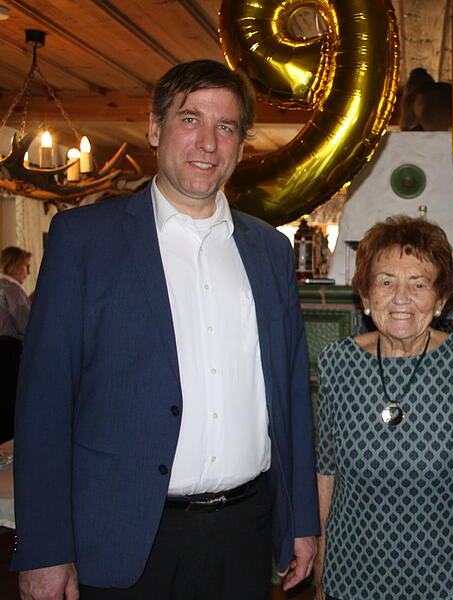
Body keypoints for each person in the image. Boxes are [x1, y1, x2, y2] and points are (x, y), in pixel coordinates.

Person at [11, 59, 319, 599]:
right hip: (121, 537)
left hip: (242, 535)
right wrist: (44, 547)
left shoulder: (270, 250)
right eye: (190, 119)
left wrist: (301, 520)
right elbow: (44, 403)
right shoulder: (84, 240)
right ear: (155, 129)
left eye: (225, 127)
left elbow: (291, 395)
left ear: (241, 146)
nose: (207, 142)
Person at [315, 215, 453, 600]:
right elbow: (326, 470)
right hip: (356, 571)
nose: (401, 298)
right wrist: (321, 557)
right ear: (365, 296)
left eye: (418, 284)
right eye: (386, 282)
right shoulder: (338, 362)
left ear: (440, 300)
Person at [0, 246, 32, 442]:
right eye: (26, 267)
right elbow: (25, 325)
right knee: (8, 401)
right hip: (6, 352)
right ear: (14, 266)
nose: (28, 272)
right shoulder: (12, 289)